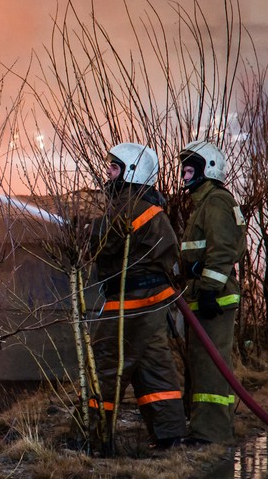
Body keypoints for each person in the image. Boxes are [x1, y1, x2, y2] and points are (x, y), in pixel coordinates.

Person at [88, 142, 186, 451]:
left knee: (105, 365)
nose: (108, 173)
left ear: (131, 173)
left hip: (130, 303)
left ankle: (95, 439)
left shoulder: (129, 205)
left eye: (114, 168)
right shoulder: (148, 205)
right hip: (152, 304)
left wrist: (84, 230)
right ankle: (170, 434)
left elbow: (106, 241)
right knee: (152, 366)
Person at [178, 140, 247, 445]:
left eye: (190, 168)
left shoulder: (216, 201)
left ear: (209, 169)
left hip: (214, 298)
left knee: (211, 367)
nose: (184, 174)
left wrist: (208, 290)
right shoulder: (205, 203)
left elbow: (223, 250)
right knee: (202, 364)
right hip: (206, 294)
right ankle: (203, 429)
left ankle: (212, 434)